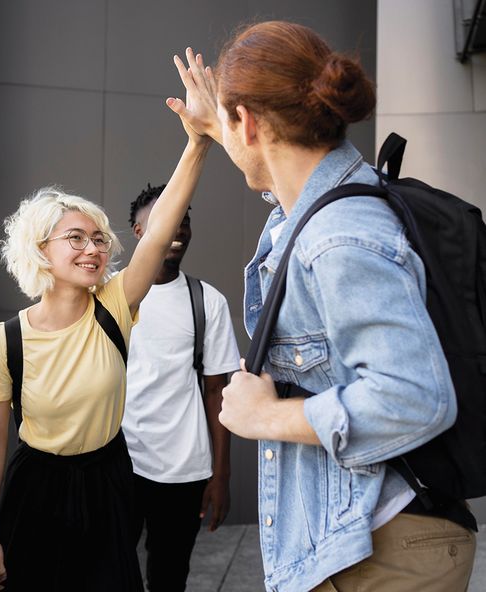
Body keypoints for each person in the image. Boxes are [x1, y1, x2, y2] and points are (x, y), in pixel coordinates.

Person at [174, 21, 477, 592]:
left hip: (381, 553)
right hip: (365, 541)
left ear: (251, 122)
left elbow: (415, 397)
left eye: (233, 120)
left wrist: (267, 417)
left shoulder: (338, 236)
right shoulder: (331, 201)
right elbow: (293, 195)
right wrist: (218, 125)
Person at [0, 51, 216, 592]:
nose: (93, 249)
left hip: (108, 482)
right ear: (40, 250)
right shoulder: (2, 341)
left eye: (100, 238)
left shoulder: (115, 304)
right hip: (35, 489)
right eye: (75, 238)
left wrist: (197, 143)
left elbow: (157, 233)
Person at [123, 183, 240, 591]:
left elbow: (217, 391)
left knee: (169, 576)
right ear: (139, 232)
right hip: (119, 463)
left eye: (184, 219)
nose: (177, 227)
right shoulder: (110, 295)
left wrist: (221, 474)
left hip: (184, 469)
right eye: (164, 219)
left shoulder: (207, 301)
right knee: (115, 571)